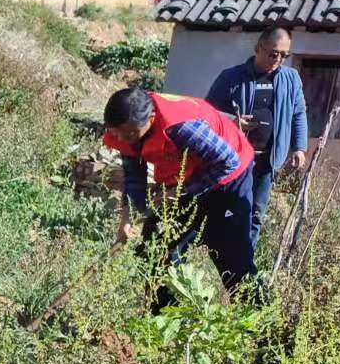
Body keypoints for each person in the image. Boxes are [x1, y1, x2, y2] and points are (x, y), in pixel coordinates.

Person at [101, 86, 257, 303]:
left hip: (229, 178)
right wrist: (129, 218)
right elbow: (133, 176)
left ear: (152, 118)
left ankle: (262, 327)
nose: (124, 139)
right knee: (154, 247)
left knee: (231, 256)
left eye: (129, 134)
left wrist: (180, 192)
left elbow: (227, 162)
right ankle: (161, 319)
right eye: (118, 133)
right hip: (185, 176)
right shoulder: (123, 129)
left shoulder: (182, 126)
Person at [205, 27, 310, 252]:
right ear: (258, 48)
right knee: (227, 210)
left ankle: (245, 260)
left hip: (267, 162)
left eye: (284, 55)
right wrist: (233, 122)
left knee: (256, 214)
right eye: (274, 53)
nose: (279, 59)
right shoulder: (231, 78)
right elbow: (209, 114)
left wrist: (299, 147)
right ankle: (219, 255)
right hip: (235, 161)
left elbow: (298, 113)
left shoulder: (290, 79)